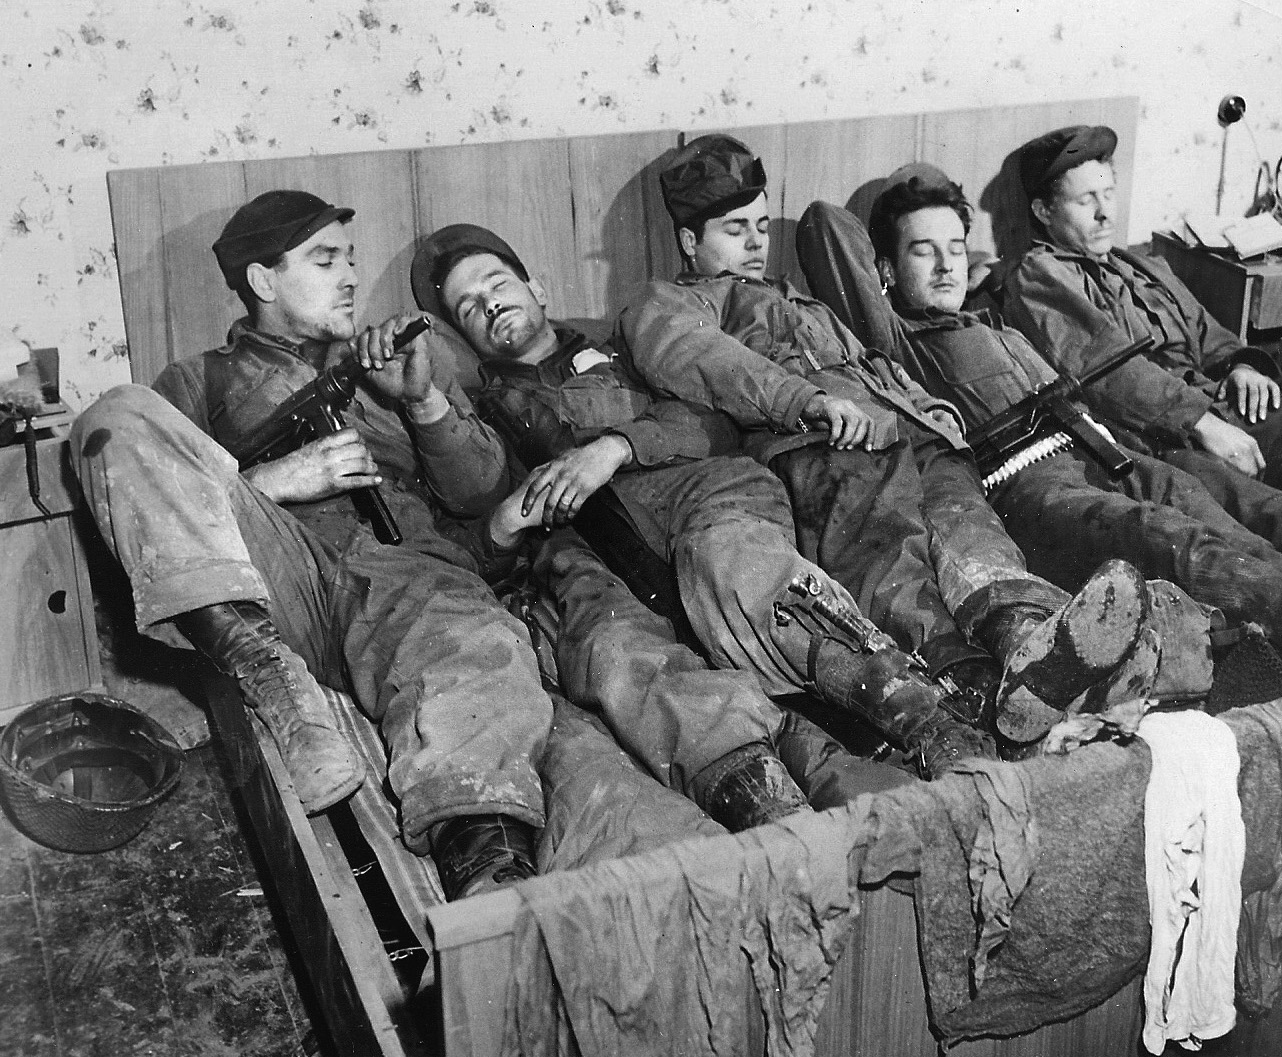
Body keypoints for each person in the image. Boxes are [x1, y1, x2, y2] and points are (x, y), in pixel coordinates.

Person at [70, 191, 785, 905]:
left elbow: (480, 496)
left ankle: (492, 880)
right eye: (325, 262)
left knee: (474, 645)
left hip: (406, 579)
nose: (349, 277)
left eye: (350, 261)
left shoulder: (395, 360)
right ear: (263, 281)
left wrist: (421, 401)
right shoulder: (198, 381)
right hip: (282, 578)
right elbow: (147, 491)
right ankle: (263, 670)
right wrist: (271, 483)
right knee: (112, 415)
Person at [613, 133, 1161, 745]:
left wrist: (931, 410)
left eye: (763, 225)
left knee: (974, 539)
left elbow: (870, 357)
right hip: (823, 447)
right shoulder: (670, 302)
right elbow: (700, 357)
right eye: (734, 229)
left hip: (911, 435)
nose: (756, 242)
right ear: (690, 242)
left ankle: (1028, 640)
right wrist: (808, 402)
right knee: (894, 565)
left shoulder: (799, 300)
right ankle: (977, 690)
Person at [793, 171, 1282, 682]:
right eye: (921, 252)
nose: (945, 267)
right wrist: (885, 270)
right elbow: (826, 225)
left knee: (1257, 514)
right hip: (1029, 484)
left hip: (1103, 447)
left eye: (955, 248)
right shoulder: (890, 341)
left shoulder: (993, 313)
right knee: (1180, 541)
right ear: (881, 269)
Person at [410, 222, 988, 775]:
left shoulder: (627, 350)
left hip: (713, 505)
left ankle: (929, 722)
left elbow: (716, 422)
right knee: (647, 672)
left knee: (737, 567)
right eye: (468, 307)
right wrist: (451, 440)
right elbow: (474, 501)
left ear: (536, 288)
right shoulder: (483, 418)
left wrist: (617, 446)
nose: (488, 305)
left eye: (497, 284)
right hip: (623, 585)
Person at [999, 124, 1282, 514]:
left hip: (1221, 411)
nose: (1105, 212)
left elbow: (1208, 332)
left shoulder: (1137, 263)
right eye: (1085, 200)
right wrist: (1204, 424)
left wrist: (1242, 366)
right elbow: (1107, 373)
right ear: (1043, 212)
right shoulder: (1041, 276)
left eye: (1108, 194)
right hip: (1177, 440)